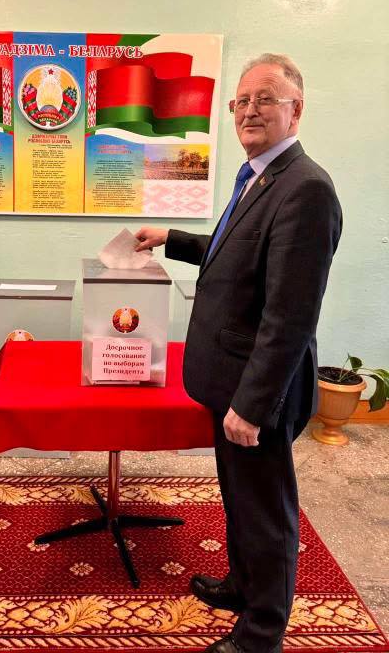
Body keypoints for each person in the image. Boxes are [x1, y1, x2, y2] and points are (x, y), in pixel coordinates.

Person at [135, 54, 342, 653]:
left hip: (259, 391)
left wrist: (252, 407)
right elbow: (238, 251)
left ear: (296, 110)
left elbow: (290, 316)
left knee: (267, 513)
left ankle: (260, 634)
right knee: (240, 499)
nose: (250, 110)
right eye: (242, 100)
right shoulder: (259, 175)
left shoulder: (306, 188)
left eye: (265, 98)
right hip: (229, 379)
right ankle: (242, 584)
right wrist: (172, 238)